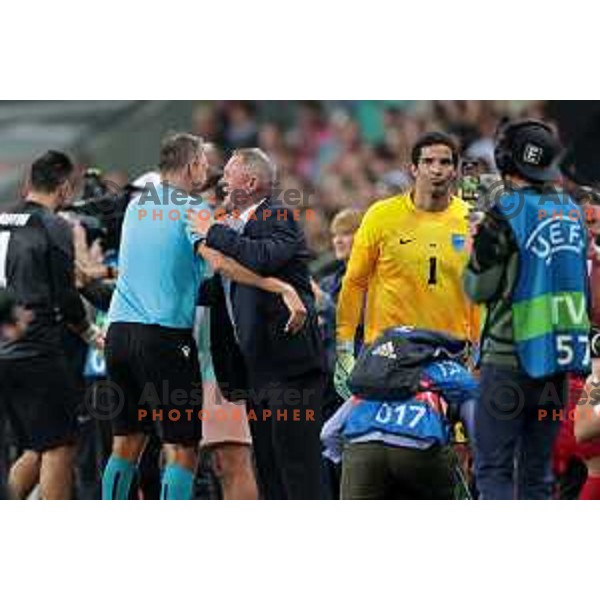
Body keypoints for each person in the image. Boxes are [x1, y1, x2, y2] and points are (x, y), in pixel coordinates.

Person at [102, 134, 306, 500]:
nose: (208, 170)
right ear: (192, 164)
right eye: (204, 163)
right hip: (162, 339)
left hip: (117, 334)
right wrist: (280, 288)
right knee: (182, 449)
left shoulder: (137, 205)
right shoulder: (191, 209)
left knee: (126, 444)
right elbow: (220, 263)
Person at [333, 132, 480, 499]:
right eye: (428, 162)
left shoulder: (470, 221)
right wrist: (345, 348)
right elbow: (354, 284)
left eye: (445, 162)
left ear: (456, 170)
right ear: (413, 168)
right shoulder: (381, 217)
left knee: (452, 464)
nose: (437, 170)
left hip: (447, 365)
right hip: (387, 363)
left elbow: (481, 294)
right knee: (377, 462)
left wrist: (479, 355)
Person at [190, 148, 327, 500]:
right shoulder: (239, 224)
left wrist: (212, 233)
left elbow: (264, 258)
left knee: (298, 467)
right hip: (257, 371)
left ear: (250, 182)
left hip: (290, 367)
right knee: (269, 469)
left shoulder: (277, 214)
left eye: (229, 174)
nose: (221, 181)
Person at [464, 119, 590, 499]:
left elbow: (477, 288)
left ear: (505, 160)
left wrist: (476, 247)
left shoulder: (505, 212)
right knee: (538, 475)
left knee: (495, 468)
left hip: (508, 361)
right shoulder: (572, 212)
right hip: (556, 365)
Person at [0, 151, 103, 500]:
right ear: (63, 188)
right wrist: (90, 332)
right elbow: (66, 297)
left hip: (4, 350)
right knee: (61, 443)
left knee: (35, 446)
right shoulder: (53, 225)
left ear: (30, 183)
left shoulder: (2, 219)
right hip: (36, 351)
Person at [194, 143, 258, 500]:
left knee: (233, 459)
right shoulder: (184, 231)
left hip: (223, 364)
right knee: (184, 458)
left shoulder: (229, 230)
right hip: (186, 360)